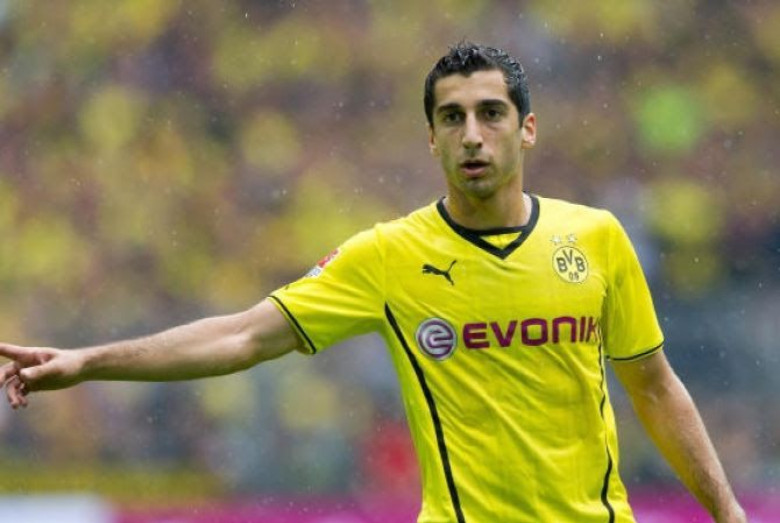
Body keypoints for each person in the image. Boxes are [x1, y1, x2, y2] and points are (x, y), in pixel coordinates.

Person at [0, 42, 746, 523]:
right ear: (431, 138)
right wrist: (89, 361)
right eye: (451, 118)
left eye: (491, 114)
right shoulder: (389, 255)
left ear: (527, 128)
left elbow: (654, 387)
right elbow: (243, 335)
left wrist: (729, 514)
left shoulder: (597, 238)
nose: (472, 134)